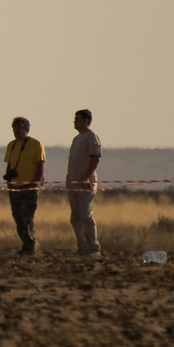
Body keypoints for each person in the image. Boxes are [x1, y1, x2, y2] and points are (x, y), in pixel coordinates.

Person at [1, 116, 44, 256]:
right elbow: (9, 164)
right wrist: (8, 179)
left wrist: (36, 183)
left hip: (29, 187)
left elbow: (41, 164)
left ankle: (31, 245)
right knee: (17, 217)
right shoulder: (11, 145)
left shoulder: (36, 144)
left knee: (27, 217)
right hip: (14, 187)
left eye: (19, 127)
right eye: (14, 128)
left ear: (26, 129)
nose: (16, 130)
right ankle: (26, 243)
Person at [66, 108, 103, 255]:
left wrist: (87, 176)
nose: (75, 122)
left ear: (86, 120)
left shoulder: (91, 137)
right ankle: (82, 246)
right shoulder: (77, 138)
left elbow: (95, 158)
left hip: (85, 183)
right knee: (75, 216)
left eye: (78, 119)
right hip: (73, 182)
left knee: (85, 214)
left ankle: (93, 247)